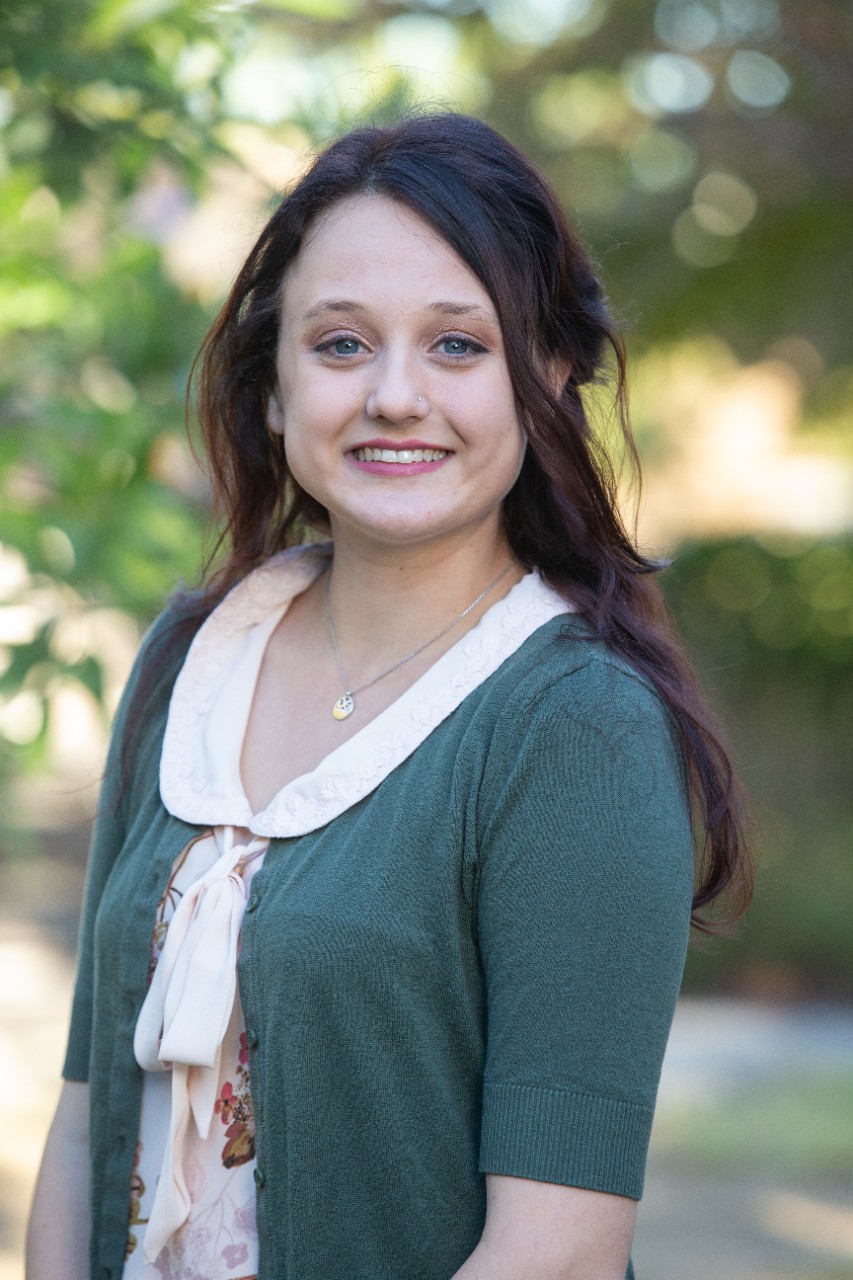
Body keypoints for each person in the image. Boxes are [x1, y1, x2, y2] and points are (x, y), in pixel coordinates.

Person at [26, 112, 752, 1280]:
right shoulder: (188, 658)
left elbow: (555, 1249)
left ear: (547, 377)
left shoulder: (574, 726)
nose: (396, 395)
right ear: (272, 387)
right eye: (342, 344)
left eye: (459, 345)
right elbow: (85, 1113)